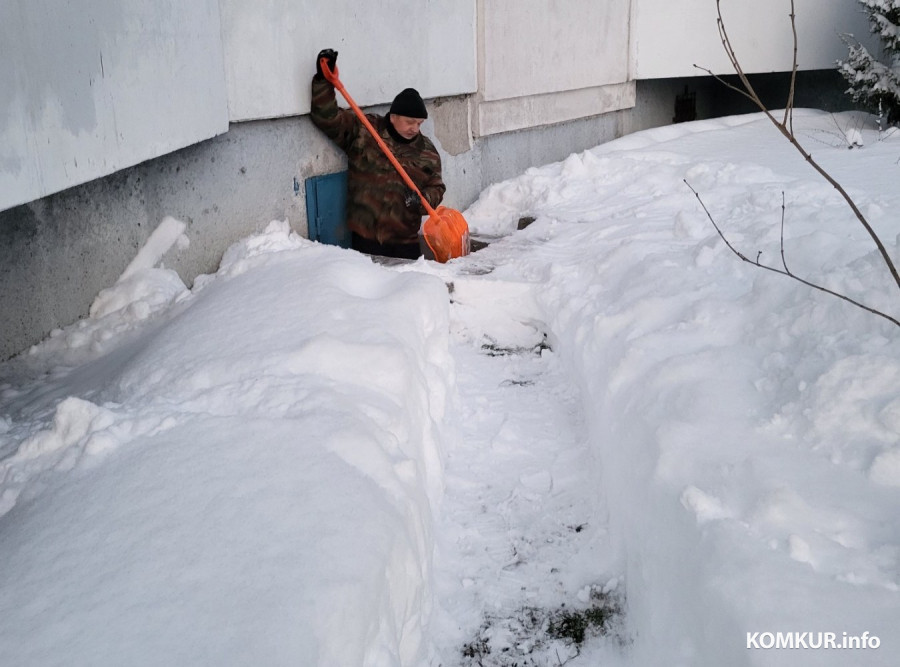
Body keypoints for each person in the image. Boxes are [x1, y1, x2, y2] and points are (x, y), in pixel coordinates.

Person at [309, 48, 446, 260]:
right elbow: (328, 119)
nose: (415, 128)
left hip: (405, 242)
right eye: (410, 122)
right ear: (393, 117)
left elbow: (437, 187)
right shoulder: (366, 132)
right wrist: (322, 81)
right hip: (366, 239)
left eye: (419, 123)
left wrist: (421, 199)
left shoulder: (427, 151)